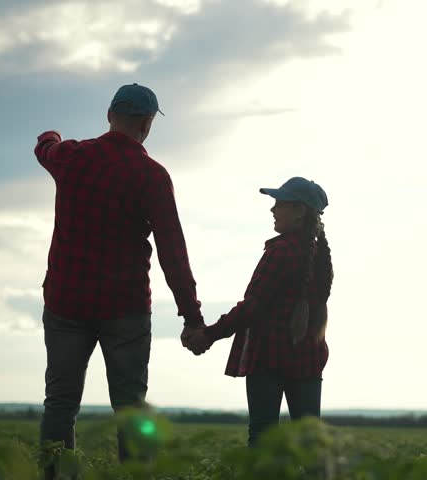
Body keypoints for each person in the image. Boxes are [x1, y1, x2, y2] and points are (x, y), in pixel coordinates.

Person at [34, 83, 206, 476]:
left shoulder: (72, 157)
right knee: (130, 406)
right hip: (124, 308)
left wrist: (52, 137)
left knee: (60, 402)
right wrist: (191, 316)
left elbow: (44, 147)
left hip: (66, 303)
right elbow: (172, 252)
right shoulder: (152, 175)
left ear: (110, 115)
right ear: (147, 124)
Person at [185, 177, 334, 448]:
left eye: (279, 204)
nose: (273, 210)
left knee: (263, 439)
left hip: (269, 358)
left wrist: (208, 334)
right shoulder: (321, 257)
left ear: (299, 211)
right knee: (312, 446)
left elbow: (252, 307)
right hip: (309, 359)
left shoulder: (280, 251)